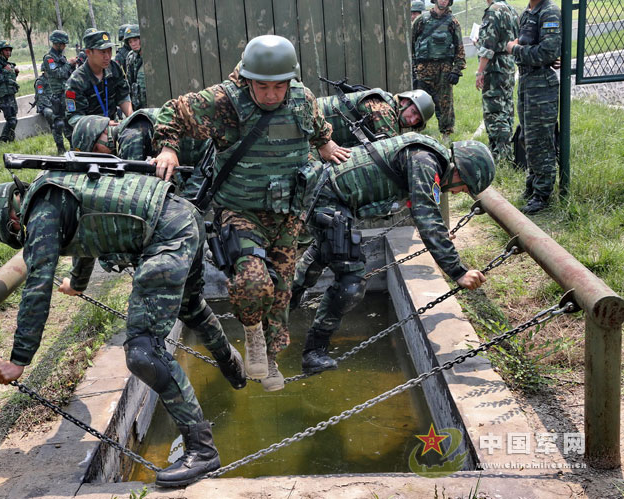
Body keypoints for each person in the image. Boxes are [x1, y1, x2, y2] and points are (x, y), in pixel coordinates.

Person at [0, 169, 243, 486]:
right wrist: (77, 283)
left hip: (166, 236)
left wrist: (19, 360)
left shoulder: (39, 213)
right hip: (184, 215)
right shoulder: (55, 190)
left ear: (11, 222)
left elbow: (37, 286)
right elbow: (88, 231)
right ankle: (231, 363)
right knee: (190, 306)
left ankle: (202, 451)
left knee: (143, 353)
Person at [151, 35, 350, 392]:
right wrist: (168, 148)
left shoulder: (302, 100)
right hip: (241, 212)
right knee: (253, 281)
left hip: (287, 215)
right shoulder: (225, 102)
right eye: (263, 86)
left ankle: (270, 359)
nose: (272, 95)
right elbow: (172, 112)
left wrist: (327, 144)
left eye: (279, 86)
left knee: (280, 293)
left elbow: (317, 126)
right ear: (247, 78)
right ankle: (252, 332)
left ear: (291, 80)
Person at [292, 133, 495, 374]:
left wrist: (437, 235)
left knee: (322, 256)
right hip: (329, 199)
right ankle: (314, 350)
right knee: (351, 282)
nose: (459, 192)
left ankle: (276, 311)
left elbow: (427, 212)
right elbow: (426, 214)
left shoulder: (428, 158)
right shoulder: (425, 162)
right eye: (464, 187)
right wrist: (458, 271)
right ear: (461, 172)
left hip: (329, 196)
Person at [507, 0, 561, 214]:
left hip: (542, 85)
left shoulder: (549, 12)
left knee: (541, 140)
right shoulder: (528, 13)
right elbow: (532, 45)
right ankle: (532, 186)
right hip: (528, 81)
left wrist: (515, 49)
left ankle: (542, 195)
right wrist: (520, 47)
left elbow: (547, 53)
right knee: (527, 138)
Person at [412, 0, 466, 140]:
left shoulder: (453, 22)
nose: (443, 1)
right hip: (423, 69)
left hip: (444, 71)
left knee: (445, 104)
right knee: (418, 104)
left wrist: (456, 70)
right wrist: (411, 69)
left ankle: (446, 136)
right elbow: (410, 45)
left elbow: (460, 49)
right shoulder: (421, 21)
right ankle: (416, 135)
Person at [475, 0, 519, 163]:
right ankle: (506, 150)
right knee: (506, 108)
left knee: (495, 111)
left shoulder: (493, 11)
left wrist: (480, 72)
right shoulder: (511, 11)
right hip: (508, 65)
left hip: (495, 67)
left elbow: (488, 47)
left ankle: (501, 155)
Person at [64, 30, 132, 136]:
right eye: (102, 52)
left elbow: (123, 96)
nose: (107, 56)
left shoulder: (113, 68)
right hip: (88, 133)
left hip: (112, 126)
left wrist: (131, 116)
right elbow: (74, 118)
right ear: (88, 53)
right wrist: (102, 124)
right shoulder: (76, 81)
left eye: (109, 51)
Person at [316, 88, 435, 147]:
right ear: (404, 101)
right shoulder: (384, 109)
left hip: (316, 135)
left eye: (417, 120)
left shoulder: (388, 106)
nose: (412, 120)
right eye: (413, 112)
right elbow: (391, 148)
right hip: (309, 124)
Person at [42, 30, 77, 154]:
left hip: (66, 93)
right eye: (63, 44)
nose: (64, 47)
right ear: (57, 43)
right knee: (58, 123)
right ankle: (60, 148)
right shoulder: (49, 58)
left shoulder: (62, 58)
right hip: (56, 95)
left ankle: (74, 146)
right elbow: (56, 73)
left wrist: (72, 66)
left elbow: (67, 74)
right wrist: (69, 64)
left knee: (69, 121)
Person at [0, 40, 20, 143]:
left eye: (9, 50)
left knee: (14, 120)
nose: (8, 52)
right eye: (6, 50)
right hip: (4, 97)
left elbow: (9, 81)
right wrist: (5, 71)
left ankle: (11, 141)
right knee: (11, 120)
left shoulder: (8, 64)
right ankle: (3, 140)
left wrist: (15, 73)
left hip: (11, 95)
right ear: (1, 51)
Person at [124, 25, 146, 111]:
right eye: (130, 42)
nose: (133, 44)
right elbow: (129, 81)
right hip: (138, 103)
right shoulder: (130, 57)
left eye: (135, 40)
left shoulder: (151, 55)